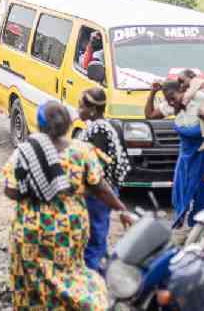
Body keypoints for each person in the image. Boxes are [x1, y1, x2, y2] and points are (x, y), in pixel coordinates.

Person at [2, 101, 131, 310]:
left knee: (29, 280)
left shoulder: (25, 151)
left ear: (41, 125)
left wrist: (40, 188)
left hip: (30, 228)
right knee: (68, 274)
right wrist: (123, 210)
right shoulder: (81, 151)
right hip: (68, 228)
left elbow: (11, 191)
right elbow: (101, 188)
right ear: (68, 125)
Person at [145, 80, 204, 228]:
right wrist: (153, 92)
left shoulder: (199, 99)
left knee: (202, 192)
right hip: (187, 155)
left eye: (173, 97)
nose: (172, 103)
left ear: (182, 91)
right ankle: (183, 225)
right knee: (181, 190)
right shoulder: (170, 105)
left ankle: (201, 227)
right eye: (168, 100)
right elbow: (149, 115)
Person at [79, 88, 131, 273]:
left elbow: (95, 169)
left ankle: (95, 282)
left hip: (97, 194)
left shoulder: (97, 130)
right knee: (98, 236)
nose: (78, 110)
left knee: (93, 241)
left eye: (81, 106)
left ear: (92, 109)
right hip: (107, 190)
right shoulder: (110, 125)